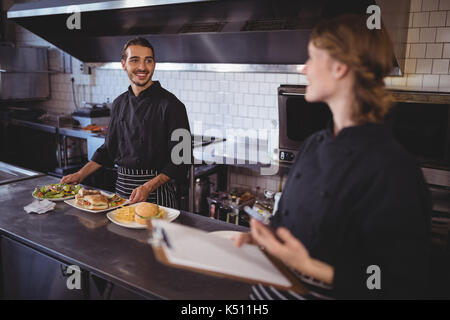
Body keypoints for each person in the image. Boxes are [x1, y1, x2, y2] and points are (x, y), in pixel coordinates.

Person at [235, 15, 432, 299]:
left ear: (340, 67)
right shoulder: (315, 143)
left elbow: (399, 283)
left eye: (312, 57)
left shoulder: (392, 168)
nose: (304, 68)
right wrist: (260, 241)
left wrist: (309, 266)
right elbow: (285, 225)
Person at [61, 37, 190, 208]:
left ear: (154, 64)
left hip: (156, 193)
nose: (142, 67)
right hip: (121, 191)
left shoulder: (172, 105)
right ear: (124, 64)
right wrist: (79, 175)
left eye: (148, 61)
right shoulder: (119, 103)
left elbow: (181, 160)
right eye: (135, 60)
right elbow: (108, 150)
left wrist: (147, 187)